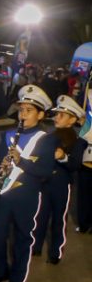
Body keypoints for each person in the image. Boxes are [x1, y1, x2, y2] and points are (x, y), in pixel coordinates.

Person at [0, 84, 57, 282]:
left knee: (23, 237)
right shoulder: (8, 134)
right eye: (21, 110)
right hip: (4, 194)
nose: (23, 115)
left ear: (41, 114)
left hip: (28, 196)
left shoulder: (46, 139)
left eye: (29, 110)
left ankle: (17, 277)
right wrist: (2, 168)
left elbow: (44, 171)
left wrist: (21, 161)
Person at [32, 95, 87, 264]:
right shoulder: (47, 138)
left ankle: (55, 252)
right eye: (56, 114)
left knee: (58, 219)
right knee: (40, 217)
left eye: (61, 115)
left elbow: (75, 165)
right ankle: (36, 247)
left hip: (62, 186)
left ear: (71, 120)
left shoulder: (78, 142)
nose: (56, 118)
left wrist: (63, 157)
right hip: (44, 183)